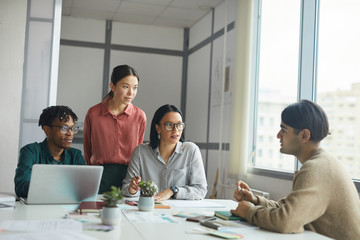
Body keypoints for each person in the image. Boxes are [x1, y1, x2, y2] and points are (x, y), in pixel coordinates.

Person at [230, 100, 360, 240]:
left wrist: (249, 211)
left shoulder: (317, 168)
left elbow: (286, 221)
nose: (278, 135)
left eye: (284, 130)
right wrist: (254, 200)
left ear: (304, 135)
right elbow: (286, 207)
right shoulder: (322, 162)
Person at [122, 104, 207, 200]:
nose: (176, 130)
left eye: (179, 125)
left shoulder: (191, 150)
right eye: (169, 125)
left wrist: (173, 191)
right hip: (149, 209)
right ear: (158, 128)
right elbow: (125, 188)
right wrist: (132, 189)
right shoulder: (141, 152)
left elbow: (201, 190)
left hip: (179, 211)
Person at [83, 65, 146, 193]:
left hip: (128, 178)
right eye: (125, 87)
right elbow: (87, 149)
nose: (131, 93)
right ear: (112, 86)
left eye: (135, 88)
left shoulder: (140, 116)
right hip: (99, 176)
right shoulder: (93, 113)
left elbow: (138, 152)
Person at [14, 105, 85, 198]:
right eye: (64, 128)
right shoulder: (30, 152)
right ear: (47, 130)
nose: (70, 133)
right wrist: (64, 189)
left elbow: (87, 188)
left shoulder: (76, 155)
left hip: (67, 209)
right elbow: (21, 187)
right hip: (37, 209)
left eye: (72, 128)